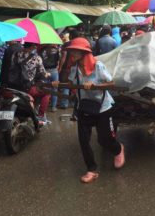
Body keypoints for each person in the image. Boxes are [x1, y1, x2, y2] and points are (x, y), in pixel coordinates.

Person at [53, 37, 125, 183]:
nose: (72, 54)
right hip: (84, 106)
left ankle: (118, 150)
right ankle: (91, 169)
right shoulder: (74, 68)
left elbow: (111, 83)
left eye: (74, 51)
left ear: (83, 52)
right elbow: (71, 83)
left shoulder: (98, 66)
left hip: (103, 107)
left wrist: (95, 86)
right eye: (71, 51)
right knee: (83, 140)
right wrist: (59, 84)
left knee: (104, 140)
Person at [14, 43, 50, 123]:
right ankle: (40, 116)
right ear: (32, 46)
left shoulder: (16, 55)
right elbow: (43, 73)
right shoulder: (36, 58)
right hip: (27, 87)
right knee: (47, 92)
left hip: (14, 85)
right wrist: (47, 74)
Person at [40, 44, 61, 112]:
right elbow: (58, 60)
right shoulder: (56, 50)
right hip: (54, 71)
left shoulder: (42, 50)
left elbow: (40, 61)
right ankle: (53, 107)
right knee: (54, 88)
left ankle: (43, 106)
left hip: (44, 71)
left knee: (45, 89)